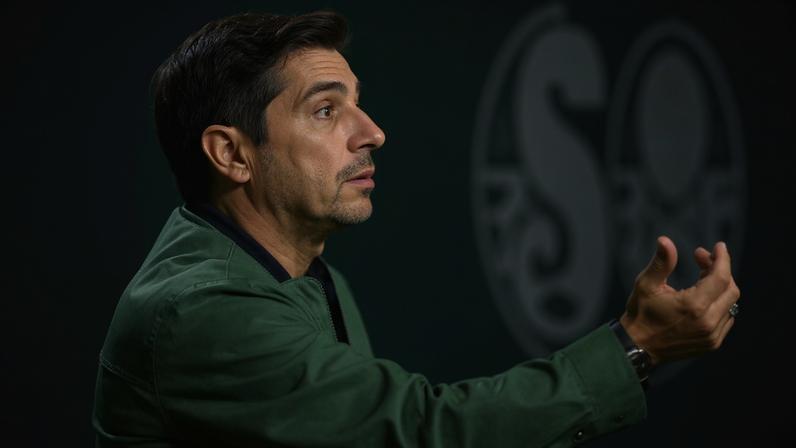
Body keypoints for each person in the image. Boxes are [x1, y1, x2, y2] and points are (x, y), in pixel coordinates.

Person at [92, 10, 741, 447]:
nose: (371, 133)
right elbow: (425, 431)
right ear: (231, 155)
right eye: (324, 111)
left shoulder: (308, 274)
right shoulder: (203, 312)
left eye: (356, 103)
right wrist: (636, 347)